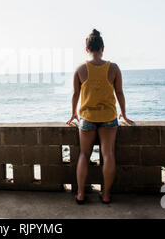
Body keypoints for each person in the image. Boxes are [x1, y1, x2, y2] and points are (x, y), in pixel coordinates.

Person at [66, 29, 134, 205]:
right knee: (108, 154)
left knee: (83, 155)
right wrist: (124, 115)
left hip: (87, 118)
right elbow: (119, 93)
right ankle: (106, 195)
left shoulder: (80, 69)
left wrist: (74, 113)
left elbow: (75, 94)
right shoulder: (113, 68)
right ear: (102, 48)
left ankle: (80, 194)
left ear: (87, 49)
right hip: (109, 117)